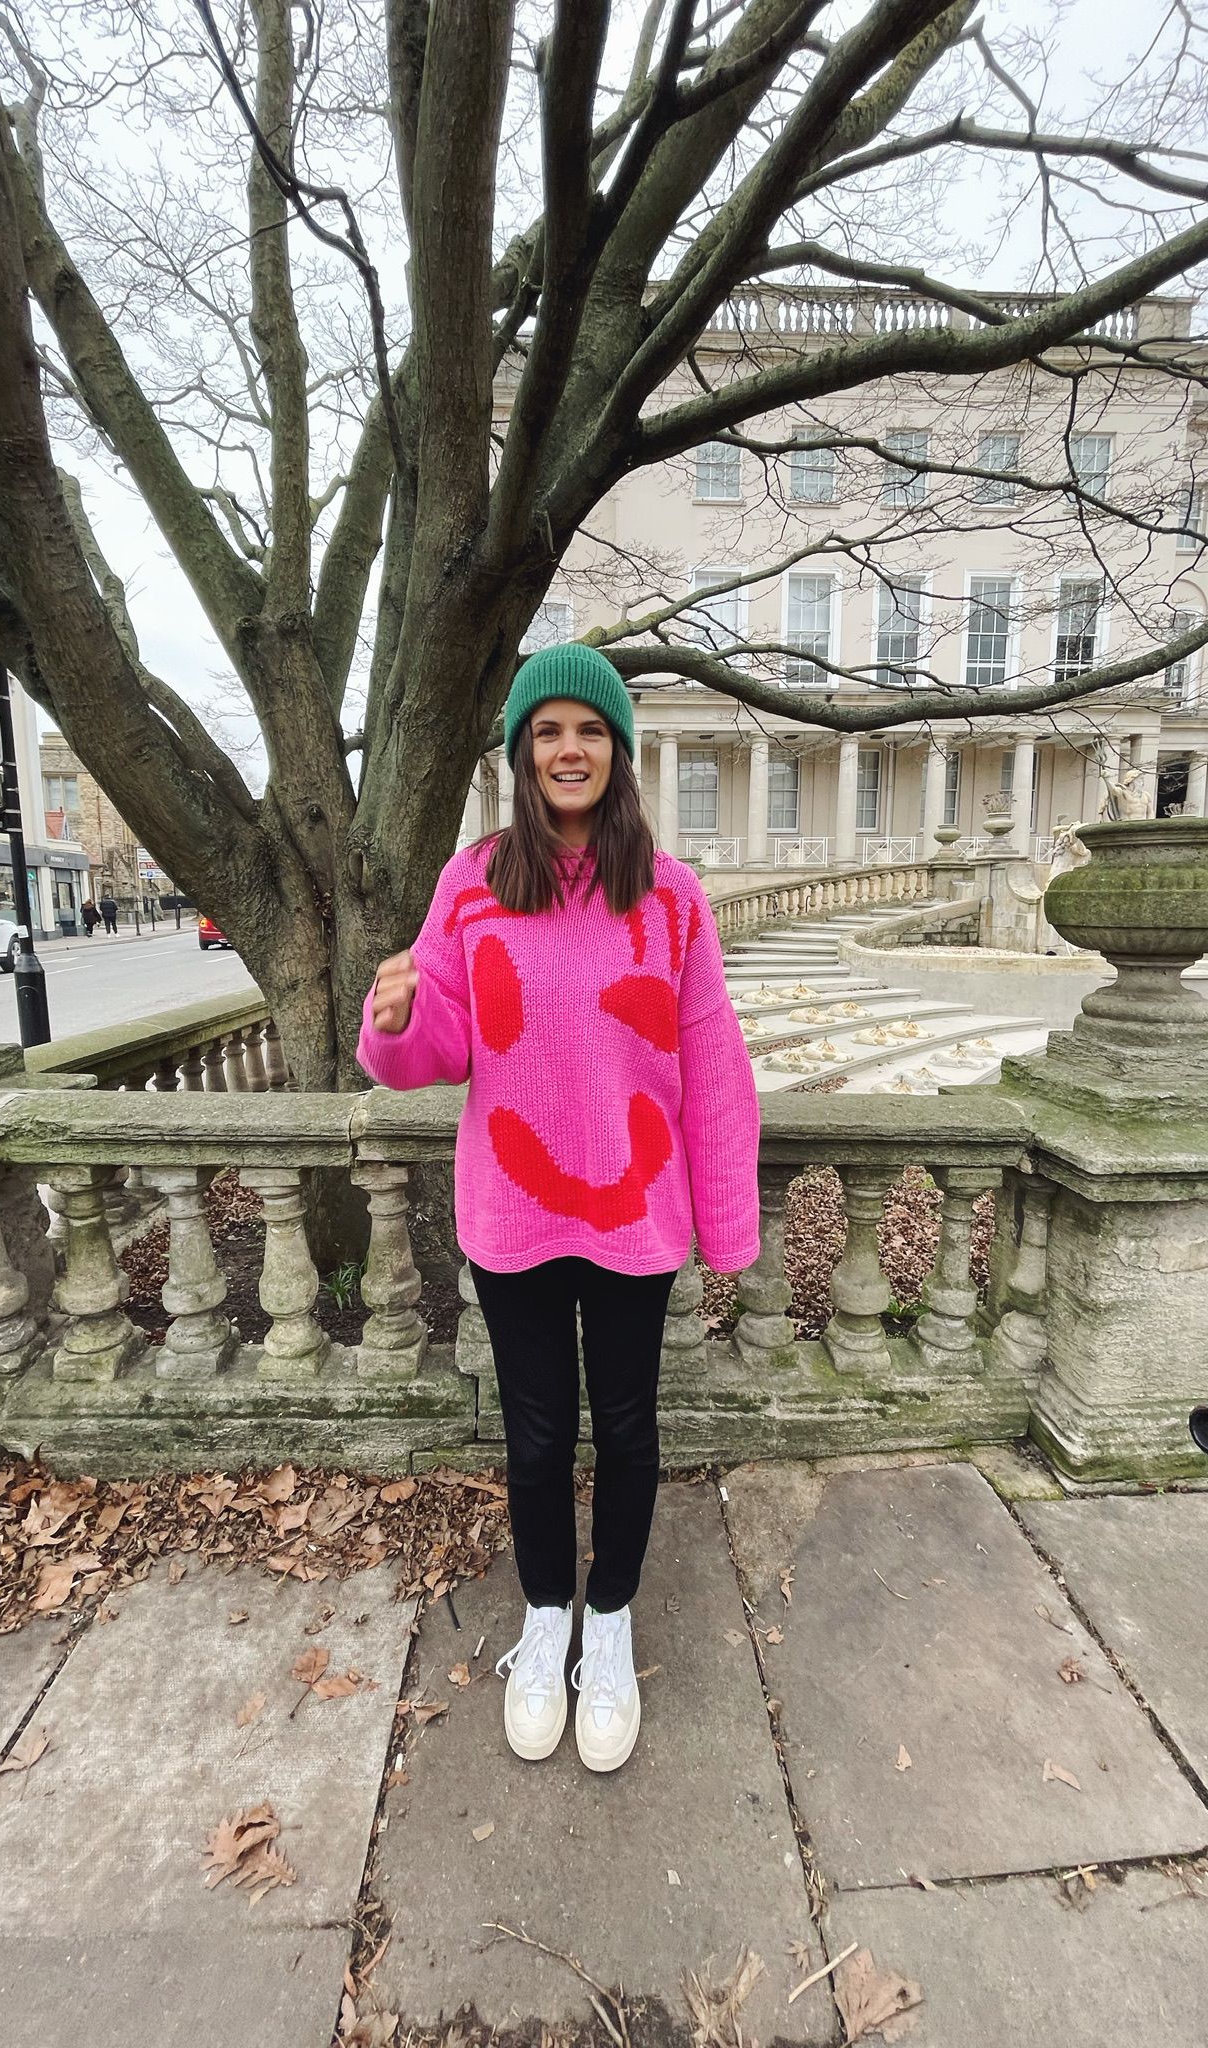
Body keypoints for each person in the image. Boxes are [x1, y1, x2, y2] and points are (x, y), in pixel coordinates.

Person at [356, 640, 760, 1775]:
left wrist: (726, 1225)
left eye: (589, 728)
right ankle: (546, 1619)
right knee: (534, 1435)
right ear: (522, 754)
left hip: (635, 1219)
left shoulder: (671, 897)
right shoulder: (471, 882)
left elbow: (713, 1065)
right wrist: (393, 1018)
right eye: (548, 730)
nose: (569, 748)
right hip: (515, 1217)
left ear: (616, 750)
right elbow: (438, 1041)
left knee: (628, 1428)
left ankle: (612, 1618)